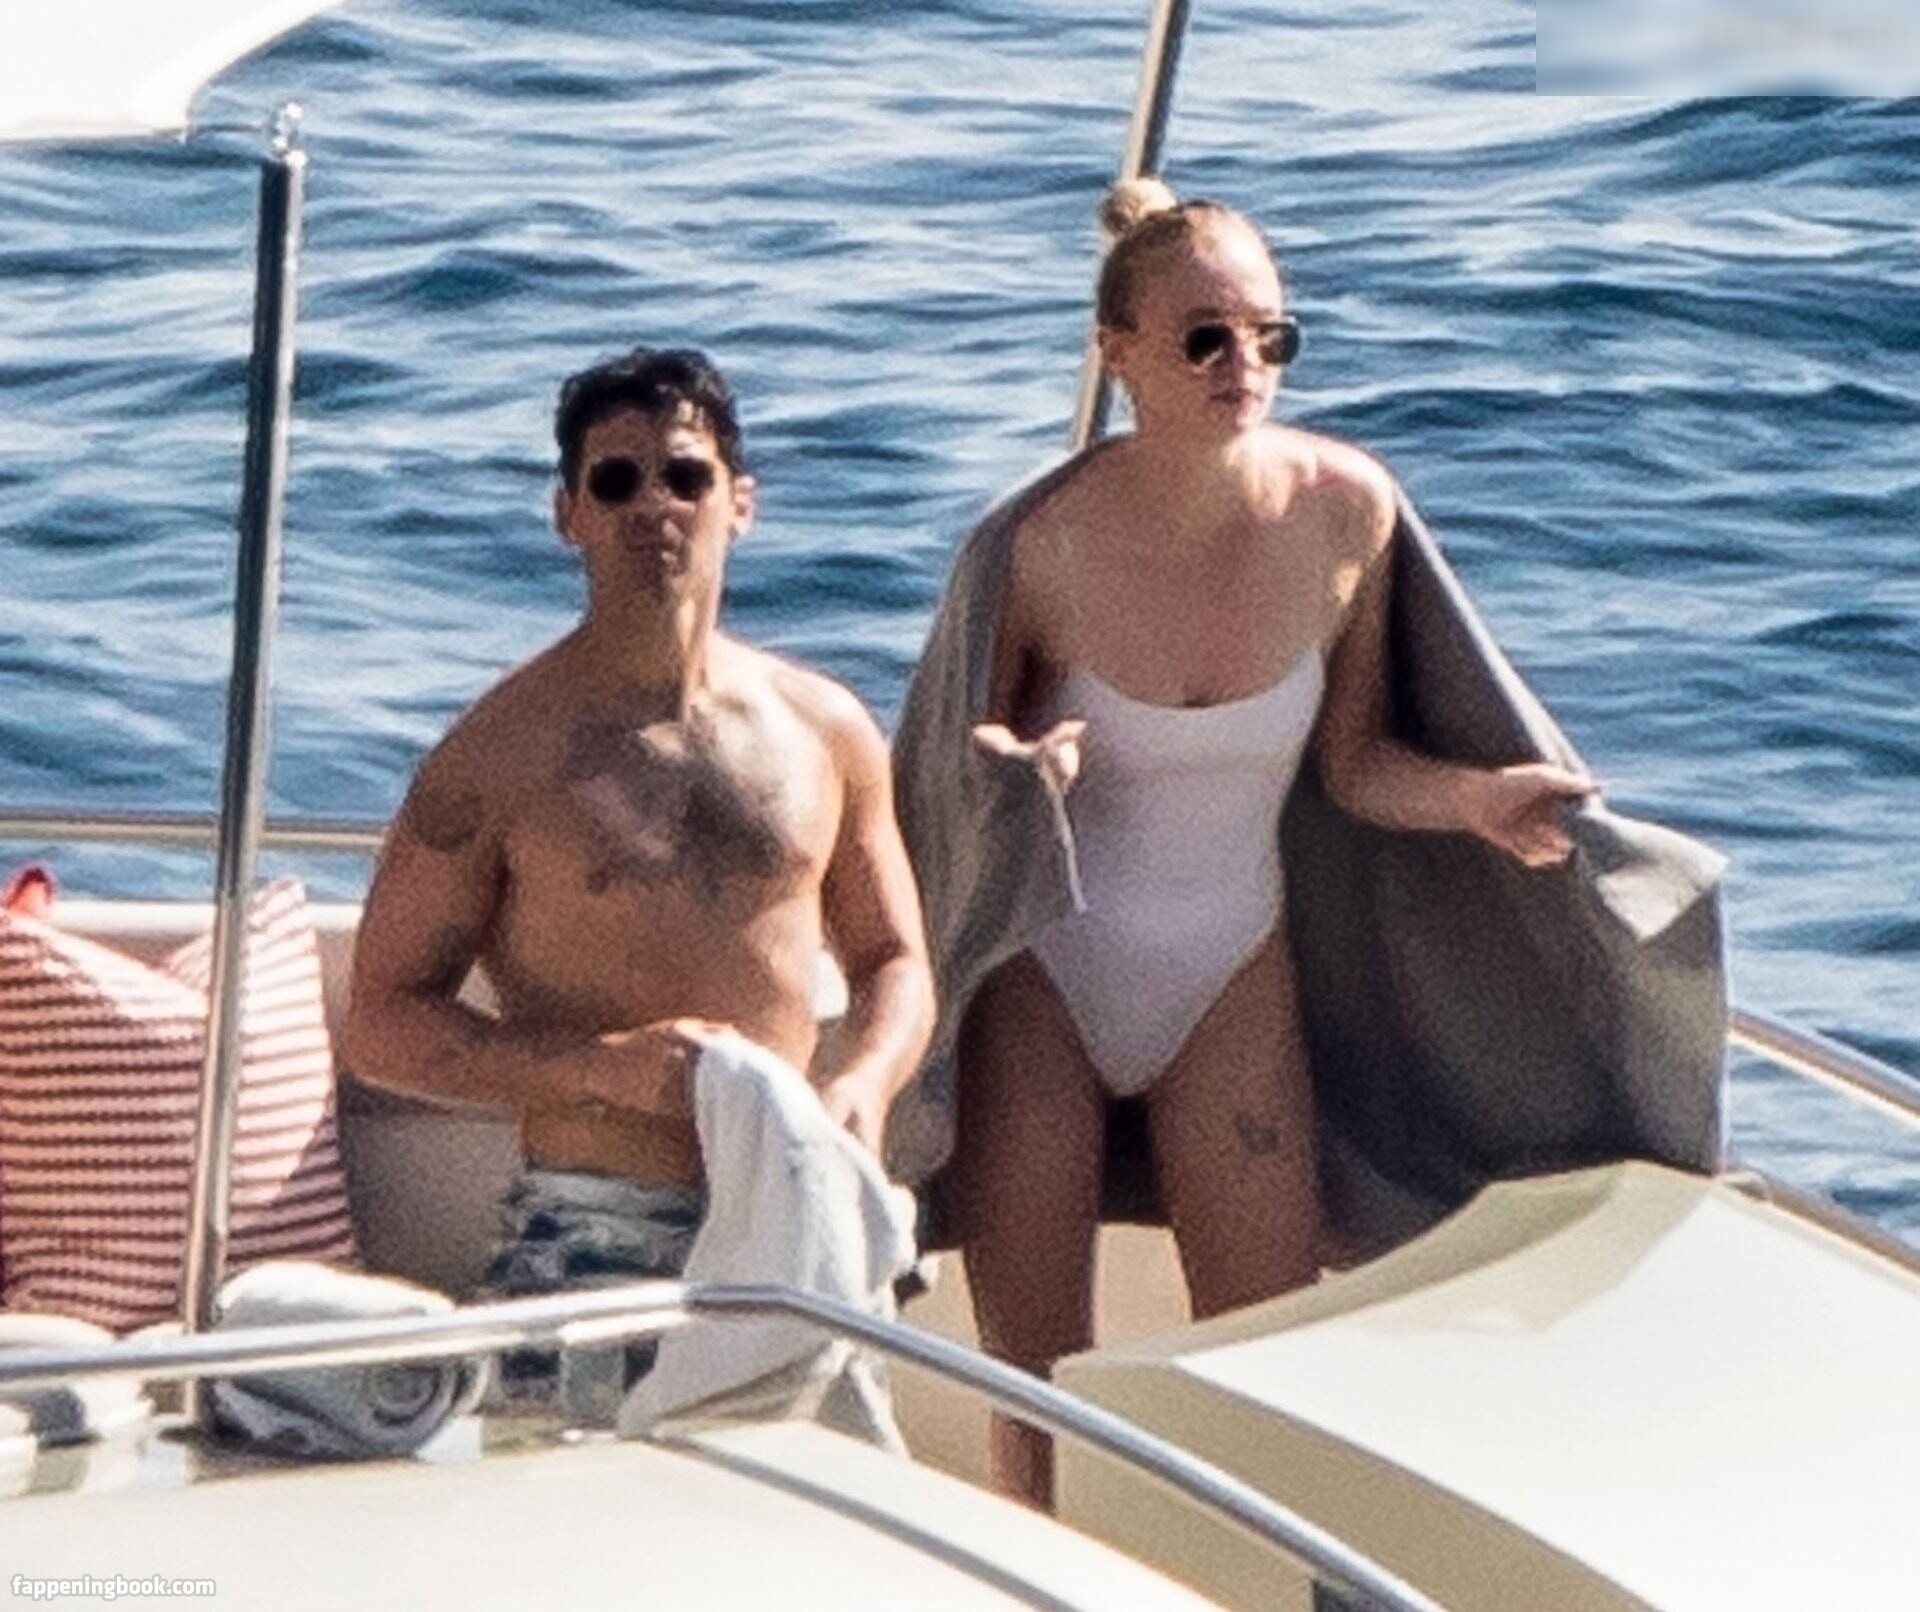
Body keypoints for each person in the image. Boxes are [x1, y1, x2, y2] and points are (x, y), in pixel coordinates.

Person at [891, 179, 1597, 1507]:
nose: (1244, 365)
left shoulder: (1349, 512)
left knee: (1265, 1362)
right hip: (1047, 982)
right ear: (1117, 351)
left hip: (1231, 977)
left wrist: (1476, 799)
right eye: (1205, 338)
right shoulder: (1037, 546)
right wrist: (1017, 771)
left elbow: (1353, 767)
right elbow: (943, 767)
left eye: (1273, 336)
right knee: (1034, 1384)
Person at [345, 346, 934, 1404]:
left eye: (685, 477)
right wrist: (598, 1070)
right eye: (615, 481)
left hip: (795, 1209)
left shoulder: (828, 731)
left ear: (739, 503)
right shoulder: (496, 759)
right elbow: (383, 1021)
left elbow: (894, 957)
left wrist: (863, 1084)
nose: (652, 506)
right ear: (568, 514)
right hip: (590, 1227)